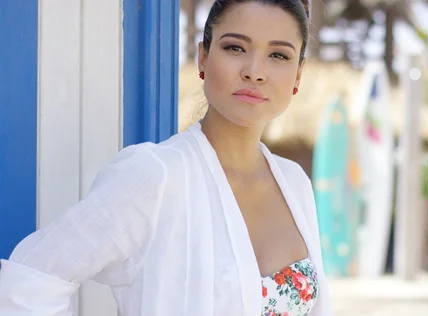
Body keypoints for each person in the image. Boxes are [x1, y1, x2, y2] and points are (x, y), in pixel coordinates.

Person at [0, 0, 333, 315]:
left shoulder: (293, 183)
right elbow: (27, 283)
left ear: (298, 76)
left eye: (278, 55)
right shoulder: (155, 176)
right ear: (203, 57)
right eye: (235, 48)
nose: (255, 71)